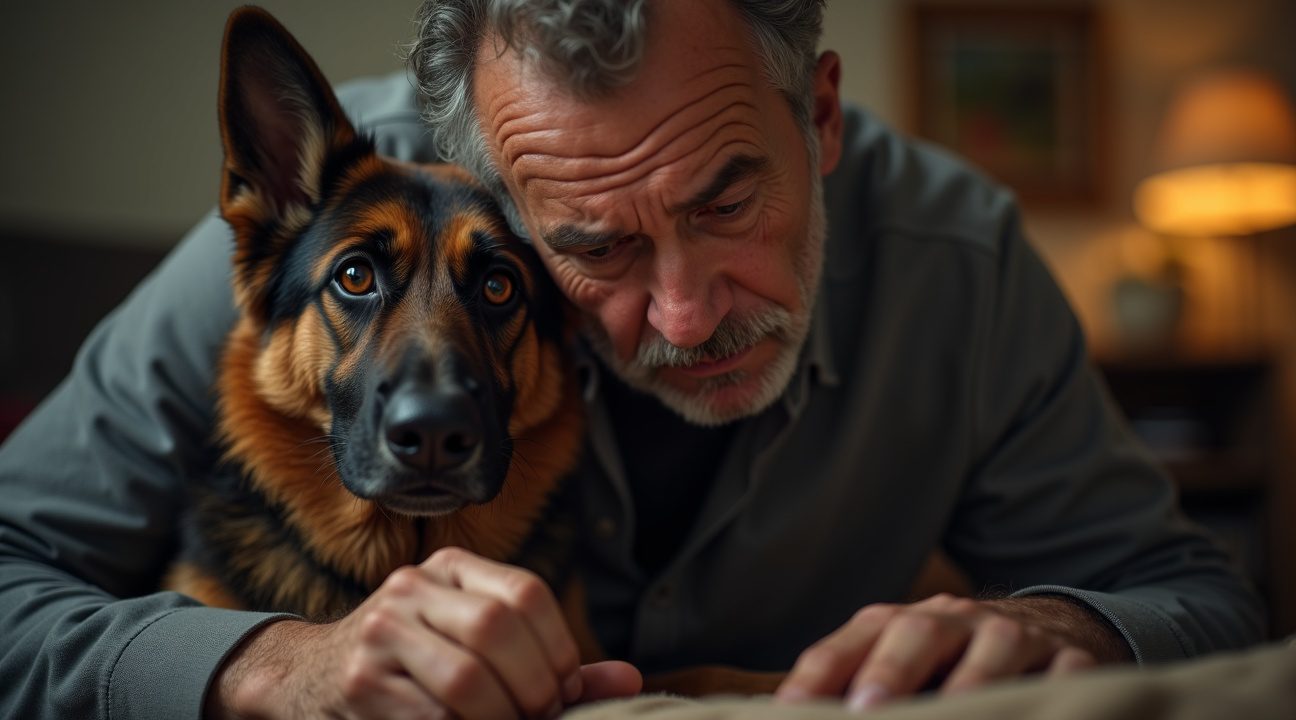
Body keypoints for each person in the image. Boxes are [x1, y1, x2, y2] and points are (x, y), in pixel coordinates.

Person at [0, 1, 1266, 718]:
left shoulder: (966, 267)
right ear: (493, 176)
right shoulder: (357, 205)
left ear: (816, 113)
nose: (682, 313)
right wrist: (270, 663)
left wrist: (1063, 625)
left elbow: (1199, 599)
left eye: (727, 204)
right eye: (592, 244)